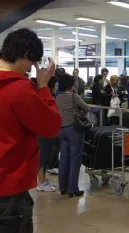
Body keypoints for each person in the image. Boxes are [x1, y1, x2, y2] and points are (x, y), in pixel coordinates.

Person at [0, 28, 61, 233]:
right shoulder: (19, 89)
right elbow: (51, 126)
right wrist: (43, 85)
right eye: (32, 64)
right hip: (9, 189)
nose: (31, 69)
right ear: (26, 54)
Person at [56, 73, 90, 197]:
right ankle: (73, 188)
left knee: (64, 159)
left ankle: (63, 187)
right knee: (75, 160)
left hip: (61, 130)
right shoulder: (74, 96)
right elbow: (86, 108)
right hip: (74, 130)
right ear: (71, 85)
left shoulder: (57, 97)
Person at [37, 76, 58, 191]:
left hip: (48, 131)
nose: (57, 87)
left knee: (45, 157)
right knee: (43, 157)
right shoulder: (44, 97)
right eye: (55, 85)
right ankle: (41, 182)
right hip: (43, 131)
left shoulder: (48, 96)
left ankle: (43, 180)